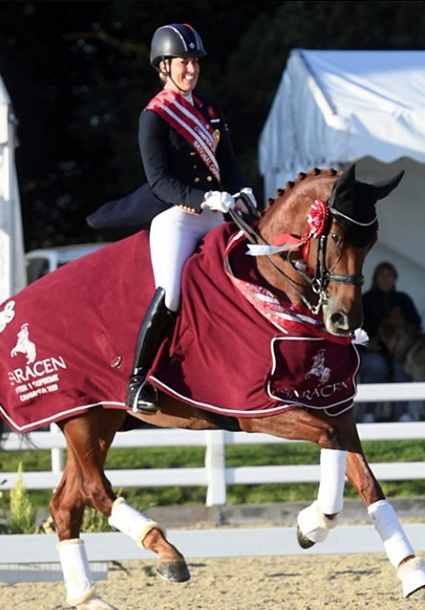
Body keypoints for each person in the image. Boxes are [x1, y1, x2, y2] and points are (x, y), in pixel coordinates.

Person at [125, 23, 256, 414]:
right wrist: (204, 198)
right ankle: (137, 380)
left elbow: (229, 163)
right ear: (164, 66)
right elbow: (159, 181)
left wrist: (243, 189)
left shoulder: (210, 109)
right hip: (178, 216)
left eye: (195, 62)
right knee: (173, 291)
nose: (192, 70)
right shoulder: (154, 117)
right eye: (184, 62)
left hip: (219, 213)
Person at [359, 261, 421, 422]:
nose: (386, 279)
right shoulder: (366, 300)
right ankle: (369, 411)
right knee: (375, 366)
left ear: (395, 278)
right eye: (382, 275)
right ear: (376, 278)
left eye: (389, 275)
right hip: (373, 350)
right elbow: (359, 329)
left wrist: (400, 323)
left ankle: (401, 412)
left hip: (400, 352)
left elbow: (416, 324)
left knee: (403, 368)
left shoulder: (403, 299)